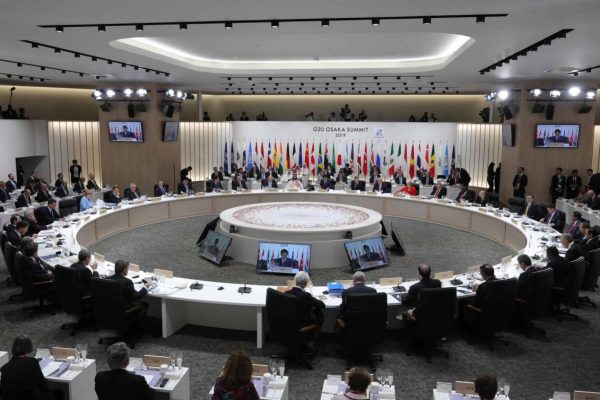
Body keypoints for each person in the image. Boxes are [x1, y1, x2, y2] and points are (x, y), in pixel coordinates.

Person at [0, 335, 64, 400]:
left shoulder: (4, 368)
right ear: (29, 347)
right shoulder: (31, 362)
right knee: (59, 393)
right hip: (29, 397)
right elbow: (42, 384)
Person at [286, 271, 325, 353]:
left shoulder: (286, 293)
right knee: (319, 313)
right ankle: (311, 342)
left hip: (287, 324)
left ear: (295, 280)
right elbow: (322, 305)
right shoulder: (306, 296)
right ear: (306, 283)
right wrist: (313, 297)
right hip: (301, 324)